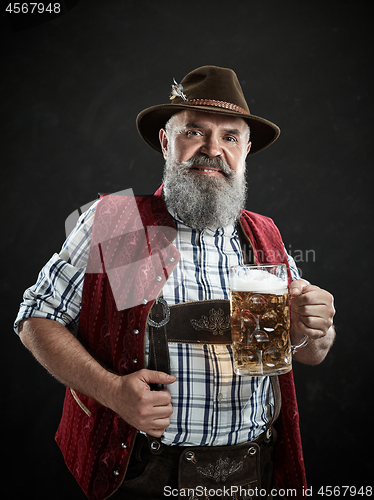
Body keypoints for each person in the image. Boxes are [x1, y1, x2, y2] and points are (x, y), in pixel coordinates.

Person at [15, 66, 335, 500]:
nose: (212, 149)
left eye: (230, 137)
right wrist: (113, 392)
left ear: (246, 150)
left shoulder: (265, 235)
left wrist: (314, 326)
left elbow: (311, 350)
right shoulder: (123, 224)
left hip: (255, 472)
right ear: (167, 142)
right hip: (143, 475)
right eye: (194, 132)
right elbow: (36, 317)